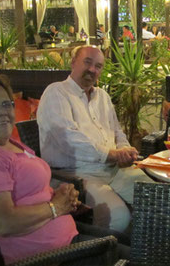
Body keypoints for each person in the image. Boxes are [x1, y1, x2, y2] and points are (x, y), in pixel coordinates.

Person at [0, 75, 125, 265]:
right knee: (137, 256)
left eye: (7, 104)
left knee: (131, 245)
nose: (3, 111)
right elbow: (3, 222)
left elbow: (25, 189)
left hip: (64, 237)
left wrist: (59, 195)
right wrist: (56, 207)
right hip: (50, 256)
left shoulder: (4, 144)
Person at [37, 46, 152, 233]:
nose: (92, 70)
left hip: (114, 170)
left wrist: (125, 150)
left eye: (98, 66)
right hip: (78, 176)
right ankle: (102, 254)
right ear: (73, 62)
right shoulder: (56, 92)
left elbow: (117, 132)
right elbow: (68, 139)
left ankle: (144, 250)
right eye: (87, 62)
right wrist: (111, 154)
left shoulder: (103, 97)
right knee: (118, 217)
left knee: (158, 197)